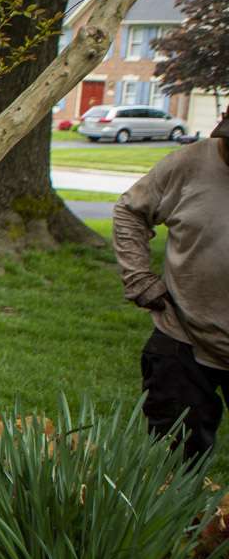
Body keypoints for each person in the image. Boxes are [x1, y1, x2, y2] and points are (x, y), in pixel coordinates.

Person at [112, 117, 229, 462]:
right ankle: (183, 514)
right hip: (183, 333)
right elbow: (129, 211)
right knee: (176, 460)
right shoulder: (189, 164)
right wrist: (139, 279)